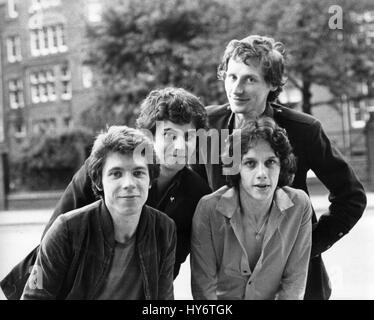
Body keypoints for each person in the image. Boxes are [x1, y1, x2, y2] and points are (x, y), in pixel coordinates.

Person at [197, 35, 367, 299]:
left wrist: (306, 245)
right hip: (230, 284)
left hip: (295, 284)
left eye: (250, 79)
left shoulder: (304, 130)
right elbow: (195, 195)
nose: (236, 89)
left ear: (273, 84)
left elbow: (352, 197)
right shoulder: (207, 127)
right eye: (231, 77)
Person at [0, 87, 211, 300]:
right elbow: (54, 241)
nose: (179, 146)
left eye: (188, 137)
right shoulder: (103, 170)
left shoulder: (196, 193)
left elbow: (168, 266)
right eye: (169, 135)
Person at [21, 126, 176, 299]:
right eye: (116, 174)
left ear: (150, 180)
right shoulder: (65, 230)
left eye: (138, 173)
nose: (128, 183)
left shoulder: (164, 229)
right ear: (99, 182)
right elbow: (33, 296)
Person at [191, 118, 312, 300]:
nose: (262, 174)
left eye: (270, 162)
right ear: (236, 168)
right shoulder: (209, 209)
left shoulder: (299, 205)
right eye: (250, 163)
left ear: (282, 165)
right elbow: (204, 289)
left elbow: (294, 284)